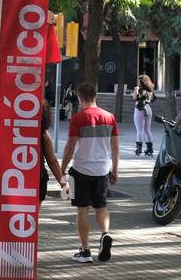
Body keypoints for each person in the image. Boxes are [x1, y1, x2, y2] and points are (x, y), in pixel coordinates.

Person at [60, 82, 119, 264]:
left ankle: (85, 251)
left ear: (80, 98)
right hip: (102, 170)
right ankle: (105, 234)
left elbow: (70, 147)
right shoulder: (110, 117)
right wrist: (115, 170)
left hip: (80, 170)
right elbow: (115, 146)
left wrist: (61, 169)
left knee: (82, 209)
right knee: (101, 206)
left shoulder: (78, 118)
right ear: (95, 97)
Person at [40, 98, 65, 200]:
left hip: (12, 180)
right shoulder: (43, 135)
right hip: (38, 178)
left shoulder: (12, 133)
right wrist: (63, 184)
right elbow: (52, 162)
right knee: (33, 215)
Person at [130, 74, 156, 157]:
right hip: (148, 108)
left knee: (139, 130)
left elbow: (135, 98)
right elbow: (153, 98)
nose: (137, 82)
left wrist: (136, 90)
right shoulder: (150, 90)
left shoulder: (140, 89)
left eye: (138, 81)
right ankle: (150, 149)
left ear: (141, 82)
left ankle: (139, 149)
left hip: (140, 109)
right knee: (147, 130)